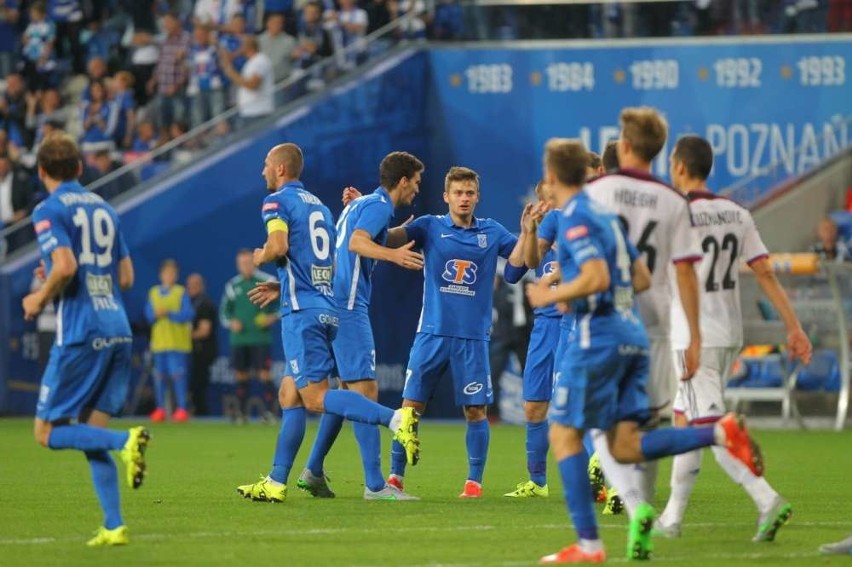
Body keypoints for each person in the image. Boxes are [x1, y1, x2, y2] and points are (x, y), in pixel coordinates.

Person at [527, 138, 762, 564]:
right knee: (626, 446)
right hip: (632, 334)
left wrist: (556, 293)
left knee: (562, 434)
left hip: (594, 338)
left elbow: (597, 276)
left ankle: (589, 545)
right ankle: (718, 432)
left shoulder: (579, 214)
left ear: (550, 177)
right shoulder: (605, 217)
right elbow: (637, 275)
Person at [235, 143, 421, 504]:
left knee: (327, 396)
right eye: (416, 181)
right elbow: (331, 254)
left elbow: (281, 246)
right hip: (329, 306)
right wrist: (286, 284)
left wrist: (262, 256)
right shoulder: (320, 204)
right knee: (292, 393)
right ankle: (285, 478)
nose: (262, 172)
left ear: (279, 170)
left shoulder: (282, 202)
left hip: (313, 309)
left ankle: (390, 435)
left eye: (265, 166)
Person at [654, 135, 813, 542]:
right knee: (686, 420)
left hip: (692, 335)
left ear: (680, 168)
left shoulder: (674, 213)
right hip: (728, 333)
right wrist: (793, 326)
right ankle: (672, 518)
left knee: (710, 426)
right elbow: (765, 271)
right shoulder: (737, 213)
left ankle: (766, 498)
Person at [22, 131, 148, 546]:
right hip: (118, 330)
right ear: (79, 168)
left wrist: (40, 297)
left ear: (42, 172)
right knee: (88, 431)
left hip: (81, 332)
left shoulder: (49, 209)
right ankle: (113, 525)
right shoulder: (106, 210)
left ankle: (124, 441)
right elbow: (126, 278)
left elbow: (65, 265)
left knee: (47, 432)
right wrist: (60, 274)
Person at [378, 166, 527, 498]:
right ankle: (395, 478)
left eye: (469, 193)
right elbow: (389, 238)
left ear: (477, 196)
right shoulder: (430, 226)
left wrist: (529, 233)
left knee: (476, 411)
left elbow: (517, 268)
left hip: (472, 338)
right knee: (409, 410)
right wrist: (364, 211)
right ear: (446, 196)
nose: (464, 199)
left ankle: (473, 483)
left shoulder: (492, 232)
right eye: (458, 193)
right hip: (431, 333)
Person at [291, 151, 426, 500]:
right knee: (365, 392)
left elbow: (358, 238)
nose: (416, 188)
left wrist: (397, 235)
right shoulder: (377, 206)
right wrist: (394, 255)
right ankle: (376, 486)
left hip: (329, 302)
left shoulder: (361, 203)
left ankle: (313, 470)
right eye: (415, 182)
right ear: (403, 180)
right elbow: (356, 242)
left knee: (346, 395)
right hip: (348, 307)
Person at [585, 106, 703, 505]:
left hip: (605, 320)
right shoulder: (673, 200)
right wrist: (694, 336)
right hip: (655, 323)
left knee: (598, 425)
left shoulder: (595, 193)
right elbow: (686, 273)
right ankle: (644, 505)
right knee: (649, 425)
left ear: (627, 144)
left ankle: (635, 509)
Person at [503, 181, 559, 498]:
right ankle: (537, 483)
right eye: (544, 200)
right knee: (534, 408)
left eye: (552, 198)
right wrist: (527, 232)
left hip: (577, 324)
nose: (546, 205)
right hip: (544, 326)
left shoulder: (582, 224)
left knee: (579, 408)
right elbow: (513, 274)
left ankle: (603, 479)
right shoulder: (540, 233)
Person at [220, 249, 278, 423]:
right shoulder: (232, 285)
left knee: (264, 375)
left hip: (260, 338)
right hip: (239, 340)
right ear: (238, 265)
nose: (245, 266)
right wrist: (232, 323)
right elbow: (224, 313)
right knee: (241, 375)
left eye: (248, 263)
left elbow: (285, 304)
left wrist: (272, 317)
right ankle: (241, 414)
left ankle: (269, 414)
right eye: (241, 264)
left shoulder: (267, 281)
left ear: (254, 262)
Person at [145, 258, 195, 422]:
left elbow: (188, 314)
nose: (169, 276)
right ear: (161, 275)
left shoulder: (181, 292)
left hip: (177, 343)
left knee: (178, 377)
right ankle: (160, 409)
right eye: (167, 273)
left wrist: (169, 313)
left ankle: (181, 409)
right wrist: (155, 315)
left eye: (172, 273)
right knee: (159, 378)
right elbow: (148, 315)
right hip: (159, 344)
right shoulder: (153, 292)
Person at [220, 35, 274, 129]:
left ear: (247, 47)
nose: (239, 48)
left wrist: (230, 72)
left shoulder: (260, 60)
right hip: (249, 112)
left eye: (241, 46)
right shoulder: (251, 62)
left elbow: (253, 84)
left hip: (258, 112)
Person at [187, 273, 218, 417]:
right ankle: (197, 412)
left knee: (199, 385)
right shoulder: (190, 302)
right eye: (190, 285)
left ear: (201, 286)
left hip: (203, 351)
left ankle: (201, 414)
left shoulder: (204, 303)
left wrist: (182, 336)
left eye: (195, 285)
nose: (191, 288)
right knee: (194, 385)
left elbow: (204, 330)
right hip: (195, 351)